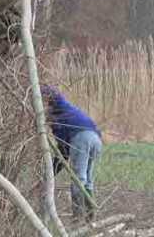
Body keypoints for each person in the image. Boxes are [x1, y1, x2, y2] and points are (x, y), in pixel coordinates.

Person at [42, 85, 102, 221]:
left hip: (81, 138)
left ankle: (78, 215)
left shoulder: (58, 112)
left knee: (78, 178)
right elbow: (64, 152)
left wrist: (50, 173)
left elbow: (63, 151)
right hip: (96, 138)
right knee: (87, 177)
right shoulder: (68, 110)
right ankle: (90, 214)